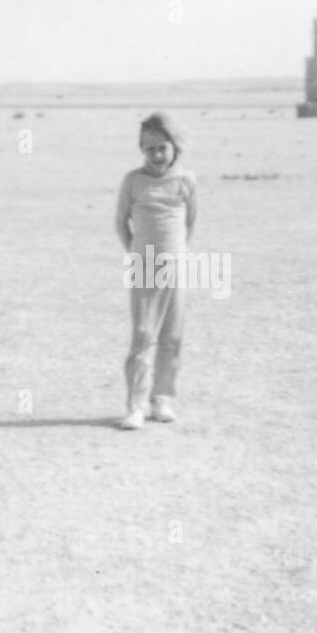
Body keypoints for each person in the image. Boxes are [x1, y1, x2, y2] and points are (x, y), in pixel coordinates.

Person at [114, 112, 198, 430]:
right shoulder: (133, 181)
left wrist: (173, 256)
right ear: (141, 150)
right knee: (143, 334)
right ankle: (135, 406)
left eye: (162, 148)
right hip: (143, 266)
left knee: (172, 336)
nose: (156, 155)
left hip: (174, 267)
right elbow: (121, 222)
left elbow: (189, 224)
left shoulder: (186, 181)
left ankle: (162, 399)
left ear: (174, 148)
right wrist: (137, 254)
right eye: (149, 149)